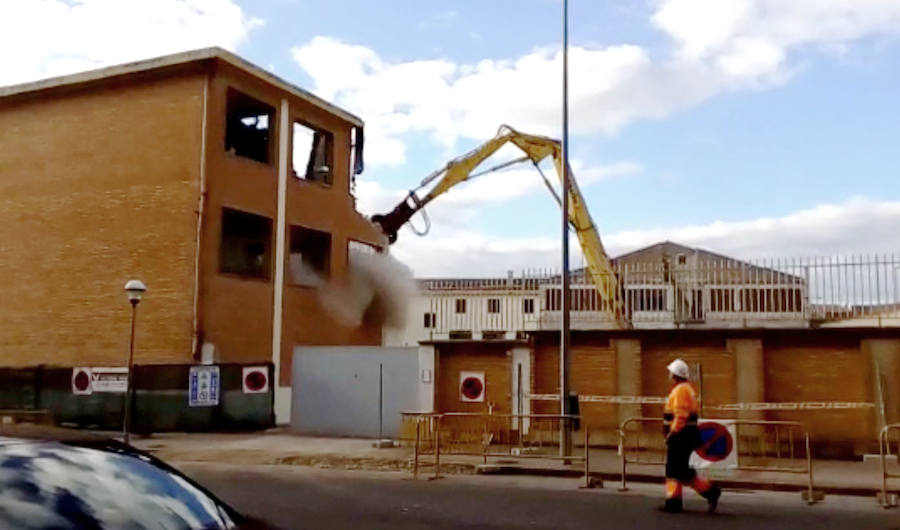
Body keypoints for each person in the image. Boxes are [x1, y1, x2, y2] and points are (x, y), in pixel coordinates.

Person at [662, 359, 722, 513]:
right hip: (687, 435)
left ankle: (675, 502)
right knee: (680, 471)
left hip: (680, 436)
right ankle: (709, 492)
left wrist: (672, 433)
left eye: (671, 372)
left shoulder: (681, 390)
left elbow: (681, 415)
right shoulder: (687, 389)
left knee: (674, 470)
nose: (669, 374)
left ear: (675, 374)